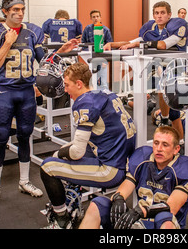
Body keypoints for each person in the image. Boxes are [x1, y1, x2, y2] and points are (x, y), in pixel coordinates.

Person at [40, 62, 136, 229]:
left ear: (79, 83)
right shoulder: (105, 93)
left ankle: (62, 218)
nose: (66, 90)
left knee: (47, 167)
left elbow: (76, 152)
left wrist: (57, 155)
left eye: (68, 85)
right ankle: (73, 205)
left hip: (110, 169)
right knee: (67, 156)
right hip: (122, 158)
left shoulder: (84, 103)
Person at [0, 0, 48, 208]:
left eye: (22, 9)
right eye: (15, 10)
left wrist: (61, 52)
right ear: (5, 12)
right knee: (1, 136)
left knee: (25, 135)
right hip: (5, 91)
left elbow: (43, 60)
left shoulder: (31, 31)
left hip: (27, 90)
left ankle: (24, 181)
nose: (19, 13)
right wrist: (7, 43)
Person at [79, 126, 188, 229]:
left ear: (176, 149)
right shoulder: (142, 158)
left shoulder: (186, 168)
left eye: (165, 145)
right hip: (138, 220)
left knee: (164, 218)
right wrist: (118, 198)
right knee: (98, 203)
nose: (159, 149)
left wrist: (140, 211)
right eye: (156, 143)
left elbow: (171, 207)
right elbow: (127, 185)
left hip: (161, 223)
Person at [103, 1, 188, 142]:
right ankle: (164, 120)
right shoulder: (151, 28)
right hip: (165, 68)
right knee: (162, 92)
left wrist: (138, 44)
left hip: (180, 68)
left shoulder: (178, 25)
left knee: (175, 112)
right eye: (156, 13)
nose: (159, 16)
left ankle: (180, 142)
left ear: (169, 15)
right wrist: (112, 44)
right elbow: (132, 41)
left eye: (162, 13)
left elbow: (163, 45)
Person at [81, 9, 113, 89]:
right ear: (91, 18)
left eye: (97, 16)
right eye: (94, 17)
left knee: (103, 83)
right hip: (90, 59)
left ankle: (104, 99)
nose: (96, 18)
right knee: (91, 82)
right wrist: (87, 57)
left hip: (102, 59)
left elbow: (109, 46)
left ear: (100, 18)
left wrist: (106, 60)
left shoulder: (105, 30)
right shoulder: (87, 29)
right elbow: (83, 44)